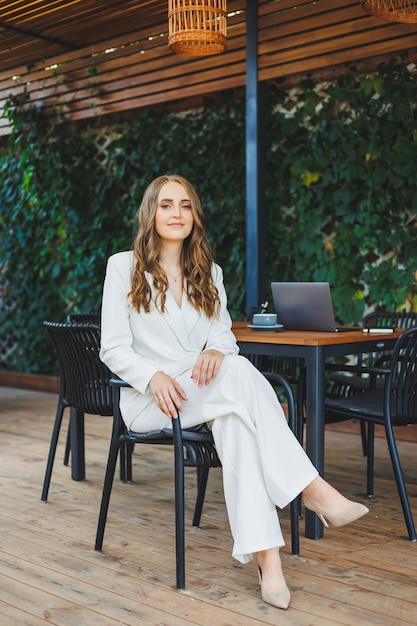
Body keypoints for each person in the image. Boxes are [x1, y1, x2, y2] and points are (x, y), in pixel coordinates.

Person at [99, 174, 369, 610]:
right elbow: (111, 347)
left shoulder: (210, 272)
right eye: (167, 205)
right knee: (241, 376)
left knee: (238, 418)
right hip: (153, 400)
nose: (177, 214)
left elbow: (224, 336)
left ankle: (270, 563)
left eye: (185, 205)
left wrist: (217, 354)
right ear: (151, 213)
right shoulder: (122, 266)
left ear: (194, 216)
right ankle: (312, 489)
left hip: (207, 392)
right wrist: (152, 378)